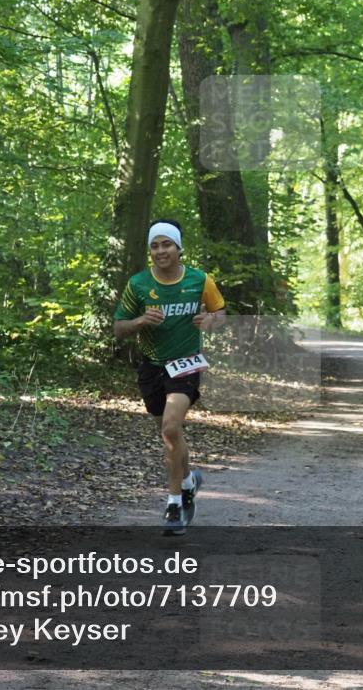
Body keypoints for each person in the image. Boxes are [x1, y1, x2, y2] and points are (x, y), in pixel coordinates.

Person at [113, 219, 226, 534]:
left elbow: (221, 314)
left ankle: (174, 504)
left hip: (186, 363)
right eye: (155, 245)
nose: (160, 251)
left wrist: (210, 321)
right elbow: (119, 329)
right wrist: (140, 321)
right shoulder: (138, 284)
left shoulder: (200, 280)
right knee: (170, 435)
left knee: (170, 427)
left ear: (179, 248)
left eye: (167, 244)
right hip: (151, 366)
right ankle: (189, 481)